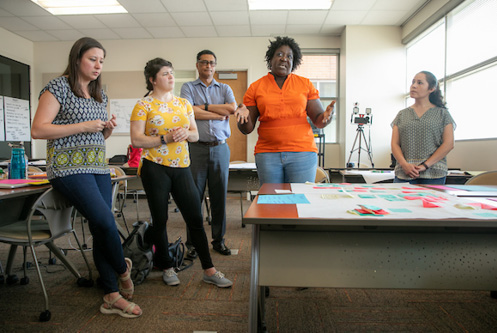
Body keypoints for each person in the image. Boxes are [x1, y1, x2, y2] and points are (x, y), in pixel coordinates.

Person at [31, 37, 142, 318]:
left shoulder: (98, 93)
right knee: (105, 221)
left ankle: (110, 295)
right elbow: (39, 129)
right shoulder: (58, 87)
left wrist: (105, 129)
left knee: (101, 226)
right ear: (77, 57)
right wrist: (83, 125)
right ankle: (122, 270)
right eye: (93, 59)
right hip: (68, 168)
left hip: (96, 166)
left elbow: (94, 134)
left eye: (101, 61)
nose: (97, 65)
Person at [129, 57, 233, 288]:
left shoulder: (183, 104)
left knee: (195, 218)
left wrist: (185, 134)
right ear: (152, 79)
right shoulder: (143, 105)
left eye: (171, 72)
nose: (171, 77)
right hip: (155, 167)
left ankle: (209, 269)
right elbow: (136, 140)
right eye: (165, 73)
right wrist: (164, 138)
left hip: (182, 166)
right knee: (160, 219)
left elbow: (195, 135)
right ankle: (166, 266)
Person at [235, 36, 335, 185]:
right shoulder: (256, 87)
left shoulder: (305, 84)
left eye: (289, 56)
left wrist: (327, 117)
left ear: (293, 62)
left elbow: (319, 121)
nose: (284, 59)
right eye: (279, 54)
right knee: (271, 201)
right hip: (268, 154)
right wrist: (242, 118)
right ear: (271, 59)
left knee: (300, 201)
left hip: (303, 153)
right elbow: (247, 128)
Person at [180, 50, 236, 258]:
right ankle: (193, 243)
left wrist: (203, 108)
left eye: (212, 63)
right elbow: (188, 112)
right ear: (197, 65)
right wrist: (216, 113)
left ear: (215, 66)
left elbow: (231, 108)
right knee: (193, 197)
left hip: (220, 147)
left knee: (219, 197)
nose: (208, 66)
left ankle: (218, 241)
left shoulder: (225, 88)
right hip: (196, 148)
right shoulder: (188, 87)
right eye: (204, 62)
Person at [391, 71, 455, 184]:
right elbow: (395, 144)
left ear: (431, 88)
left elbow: (448, 144)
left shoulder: (442, 114)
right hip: (404, 172)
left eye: (420, 83)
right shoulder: (402, 114)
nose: (414, 86)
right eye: (413, 82)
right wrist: (404, 164)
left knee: (429, 202)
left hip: (434, 173)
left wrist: (425, 165)